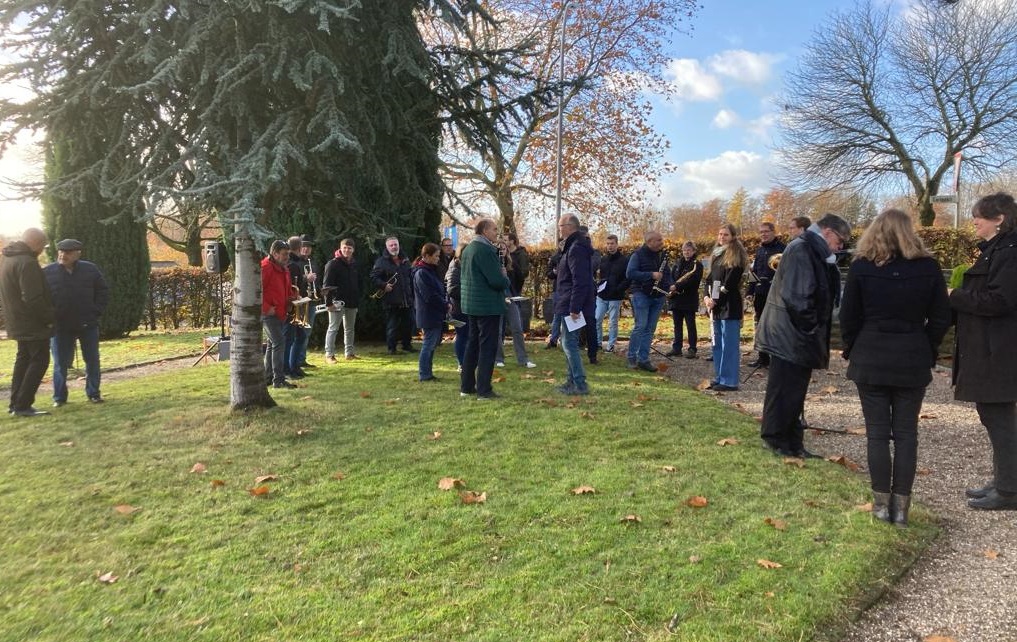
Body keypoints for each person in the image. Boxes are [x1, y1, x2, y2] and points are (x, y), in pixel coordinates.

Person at [840, 209, 951, 526]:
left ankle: (880, 504)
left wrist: (853, 346)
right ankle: (901, 508)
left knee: (877, 434)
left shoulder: (862, 267)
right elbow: (941, 317)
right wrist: (927, 347)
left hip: (871, 354)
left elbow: (848, 316)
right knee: (906, 434)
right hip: (911, 354)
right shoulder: (928, 267)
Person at [756, 213, 851, 458]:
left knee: (794, 390)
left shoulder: (812, 250)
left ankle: (793, 442)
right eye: (840, 241)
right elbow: (798, 298)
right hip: (791, 333)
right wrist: (812, 328)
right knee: (784, 389)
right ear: (828, 232)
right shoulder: (802, 249)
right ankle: (777, 440)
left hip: (794, 332)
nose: (840, 247)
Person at [950, 192, 1017, 511]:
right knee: (994, 415)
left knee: (998, 416)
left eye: (979, 215)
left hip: (999, 350)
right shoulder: (998, 250)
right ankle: (1005, 480)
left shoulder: (1010, 252)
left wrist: (956, 295)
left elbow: (1000, 301)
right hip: (991, 348)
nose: (974, 220)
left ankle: (1009, 490)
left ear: (999, 218)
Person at [44, 238, 110, 406]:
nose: (62, 255)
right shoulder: (48, 272)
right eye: (60, 251)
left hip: (87, 324)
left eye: (67, 252)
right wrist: (50, 317)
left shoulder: (90, 270)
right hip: (60, 326)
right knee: (60, 364)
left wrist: (96, 312)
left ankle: (93, 393)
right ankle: (59, 398)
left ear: (77, 253)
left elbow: (102, 291)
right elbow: (42, 298)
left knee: (92, 360)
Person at [0, 228, 54, 417]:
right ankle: (23, 404)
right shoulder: (27, 263)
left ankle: (15, 403)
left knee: (23, 360)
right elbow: (32, 298)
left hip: (16, 321)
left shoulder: (8, 259)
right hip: (32, 323)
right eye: (42, 246)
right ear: (35, 243)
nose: (42, 250)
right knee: (40, 360)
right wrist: (48, 318)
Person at [460, 219, 511, 400]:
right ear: (484, 231)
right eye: (494, 229)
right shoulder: (485, 250)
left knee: (472, 345)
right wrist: (505, 278)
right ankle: (484, 390)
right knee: (487, 348)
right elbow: (496, 281)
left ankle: (466, 387)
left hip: (471, 304)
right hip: (487, 306)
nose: (496, 233)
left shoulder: (468, 250)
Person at [703, 224, 748, 391]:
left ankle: (730, 381)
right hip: (717, 305)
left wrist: (716, 299)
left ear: (733, 237)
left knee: (729, 344)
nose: (722, 237)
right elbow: (712, 280)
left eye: (726, 235)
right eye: (720, 234)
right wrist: (708, 298)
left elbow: (729, 283)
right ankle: (720, 376)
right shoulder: (716, 255)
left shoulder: (736, 257)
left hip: (730, 305)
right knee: (717, 344)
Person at [554, 214, 593, 395]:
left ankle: (579, 383)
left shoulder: (576, 248)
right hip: (569, 301)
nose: (559, 229)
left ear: (570, 227)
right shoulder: (574, 247)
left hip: (572, 303)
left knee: (569, 344)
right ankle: (571, 381)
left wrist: (574, 308)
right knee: (570, 342)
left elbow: (580, 280)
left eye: (560, 225)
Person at [626, 230, 671, 372]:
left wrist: (671, 284)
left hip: (658, 295)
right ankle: (632, 357)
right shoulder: (637, 255)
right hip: (641, 293)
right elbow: (630, 273)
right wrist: (651, 275)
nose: (661, 243)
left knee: (650, 328)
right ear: (649, 242)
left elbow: (667, 273)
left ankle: (643, 359)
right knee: (641, 326)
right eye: (658, 240)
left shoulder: (662, 255)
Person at [746, 222, 785, 368]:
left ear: (773, 232)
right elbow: (753, 272)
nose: (763, 234)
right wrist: (750, 291)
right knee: (760, 325)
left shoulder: (783, 249)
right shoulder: (760, 250)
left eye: (766, 231)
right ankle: (762, 358)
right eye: (761, 232)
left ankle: (777, 358)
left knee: (775, 326)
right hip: (760, 293)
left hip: (775, 293)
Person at [495, 237, 536, 369]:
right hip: (497, 299)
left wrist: (510, 270)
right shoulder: (492, 262)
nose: (502, 250)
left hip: (511, 298)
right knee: (498, 330)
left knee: (517, 328)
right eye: (499, 248)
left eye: (504, 248)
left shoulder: (511, 262)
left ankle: (523, 359)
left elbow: (520, 278)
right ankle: (498, 358)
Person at [262, 240, 298, 389]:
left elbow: (286, 288)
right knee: (279, 342)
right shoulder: (265, 268)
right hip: (270, 313)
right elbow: (256, 291)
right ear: (274, 253)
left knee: (273, 344)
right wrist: (266, 308)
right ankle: (279, 380)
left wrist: (293, 297)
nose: (287, 257)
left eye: (288, 254)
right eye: (284, 254)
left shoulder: (283, 268)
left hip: (280, 312)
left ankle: (268, 377)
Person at [370, 236, 415, 354]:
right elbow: (373, 277)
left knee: (409, 324)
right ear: (387, 247)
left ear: (399, 245)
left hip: (407, 299)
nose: (394, 247)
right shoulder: (381, 261)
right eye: (391, 245)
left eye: (396, 244)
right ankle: (392, 348)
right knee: (392, 326)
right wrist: (384, 285)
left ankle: (407, 345)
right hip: (391, 300)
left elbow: (410, 277)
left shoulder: (405, 259)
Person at [321, 238, 361, 363]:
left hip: (352, 302)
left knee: (350, 329)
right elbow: (326, 285)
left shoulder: (354, 264)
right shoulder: (333, 264)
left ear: (353, 250)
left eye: (349, 248)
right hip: (336, 302)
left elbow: (358, 282)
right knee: (333, 328)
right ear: (340, 248)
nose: (347, 250)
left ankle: (349, 353)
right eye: (345, 247)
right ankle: (329, 355)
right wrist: (328, 303)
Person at [412, 243, 448, 382]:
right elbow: (430, 295)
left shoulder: (429, 271)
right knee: (428, 344)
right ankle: (424, 374)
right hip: (428, 314)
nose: (438, 259)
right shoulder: (422, 273)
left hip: (434, 313)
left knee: (431, 344)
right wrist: (445, 305)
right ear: (427, 256)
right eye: (436, 256)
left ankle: (428, 372)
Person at [667, 241, 703, 358]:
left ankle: (692, 349)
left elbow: (693, 281)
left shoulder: (697, 265)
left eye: (688, 250)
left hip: (689, 299)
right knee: (677, 325)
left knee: (690, 325)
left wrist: (677, 286)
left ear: (693, 251)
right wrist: (672, 286)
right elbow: (671, 277)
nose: (686, 252)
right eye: (684, 250)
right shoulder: (678, 263)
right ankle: (677, 348)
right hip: (676, 298)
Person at [594, 234, 629, 353]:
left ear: (617, 244)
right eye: (608, 244)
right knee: (597, 319)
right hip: (602, 295)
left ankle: (611, 345)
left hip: (615, 296)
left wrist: (619, 289)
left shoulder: (624, 260)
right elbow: (600, 276)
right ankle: (598, 343)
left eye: (612, 244)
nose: (610, 246)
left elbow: (628, 278)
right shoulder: (603, 259)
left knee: (612, 322)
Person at [283, 235, 311, 379]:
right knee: (291, 337)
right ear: (299, 248)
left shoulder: (293, 262)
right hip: (294, 305)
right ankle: (288, 368)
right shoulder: (293, 264)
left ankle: (294, 366)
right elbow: (294, 286)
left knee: (299, 336)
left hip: (296, 303)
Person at [293, 235, 319, 370]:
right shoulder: (295, 263)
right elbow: (293, 279)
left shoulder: (312, 262)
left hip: (311, 300)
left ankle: (302, 359)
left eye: (309, 247)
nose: (306, 249)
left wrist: (320, 291)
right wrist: (305, 278)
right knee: (299, 332)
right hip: (300, 301)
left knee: (307, 331)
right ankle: (295, 361)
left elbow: (315, 282)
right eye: (304, 247)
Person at [445, 244, 469, 370]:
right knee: (462, 335)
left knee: (467, 335)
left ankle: (466, 361)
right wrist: (469, 291)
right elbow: (452, 290)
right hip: (458, 309)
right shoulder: (454, 268)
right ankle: (461, 363)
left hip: (466, 308)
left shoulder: (464, 266)